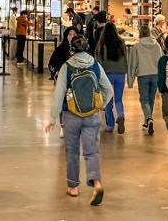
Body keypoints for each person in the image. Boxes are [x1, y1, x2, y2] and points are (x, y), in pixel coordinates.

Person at [45, 35, 113, 206]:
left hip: (71, 115)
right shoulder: (95, 65)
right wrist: (99, 105)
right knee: (92, 151)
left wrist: (53, 118)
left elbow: (59, 94)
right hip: (92, 114)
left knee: (72, 151)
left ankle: (73, 187)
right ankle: (96, 182)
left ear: (72, 49)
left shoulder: (66, 67)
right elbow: (109, 90)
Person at [128, 25, 163, 134]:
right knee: (151, 100)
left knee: (144, 100)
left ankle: (148, 119)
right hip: (155, 75)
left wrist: (130, 80)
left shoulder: (137, 46)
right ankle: (147, 121)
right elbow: (161, 61)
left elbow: (133, 64)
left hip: (143, 75)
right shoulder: (156, 45)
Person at [96, 23, 128, 134]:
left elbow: (98, 61)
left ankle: (110, 125)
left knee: (108, 100)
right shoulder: (121, 42)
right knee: (118, 99)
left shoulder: (101, 43)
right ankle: (120, 115)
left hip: (107, 74)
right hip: (120, 73)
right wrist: (126, 71)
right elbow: (125, 57)